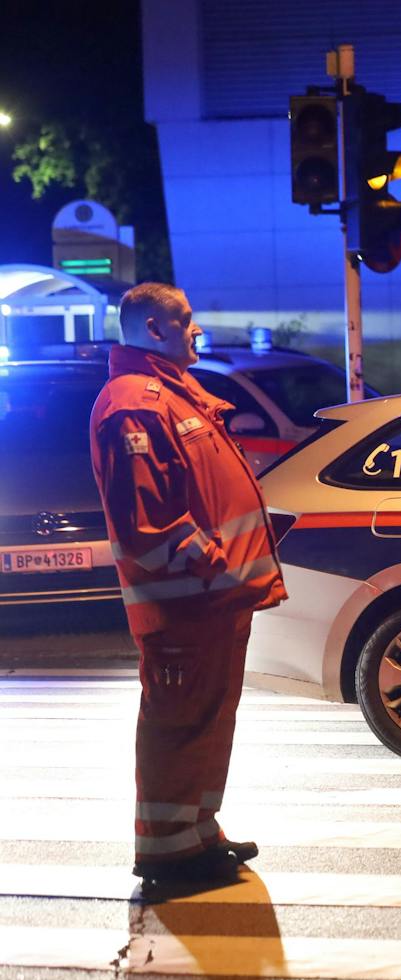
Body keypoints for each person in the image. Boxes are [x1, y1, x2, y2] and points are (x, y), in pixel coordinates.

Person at [88, 282, 288, 888]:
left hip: (214, 599)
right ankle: (168, 852)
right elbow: (147, 525)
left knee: (207, 715)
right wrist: (217, 561)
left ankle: (198, 830)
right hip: (188, 604)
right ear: (155, 329)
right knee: (180, 718)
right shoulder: (136, 404)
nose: (196, 331)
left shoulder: (171, 395)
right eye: (187, 321)